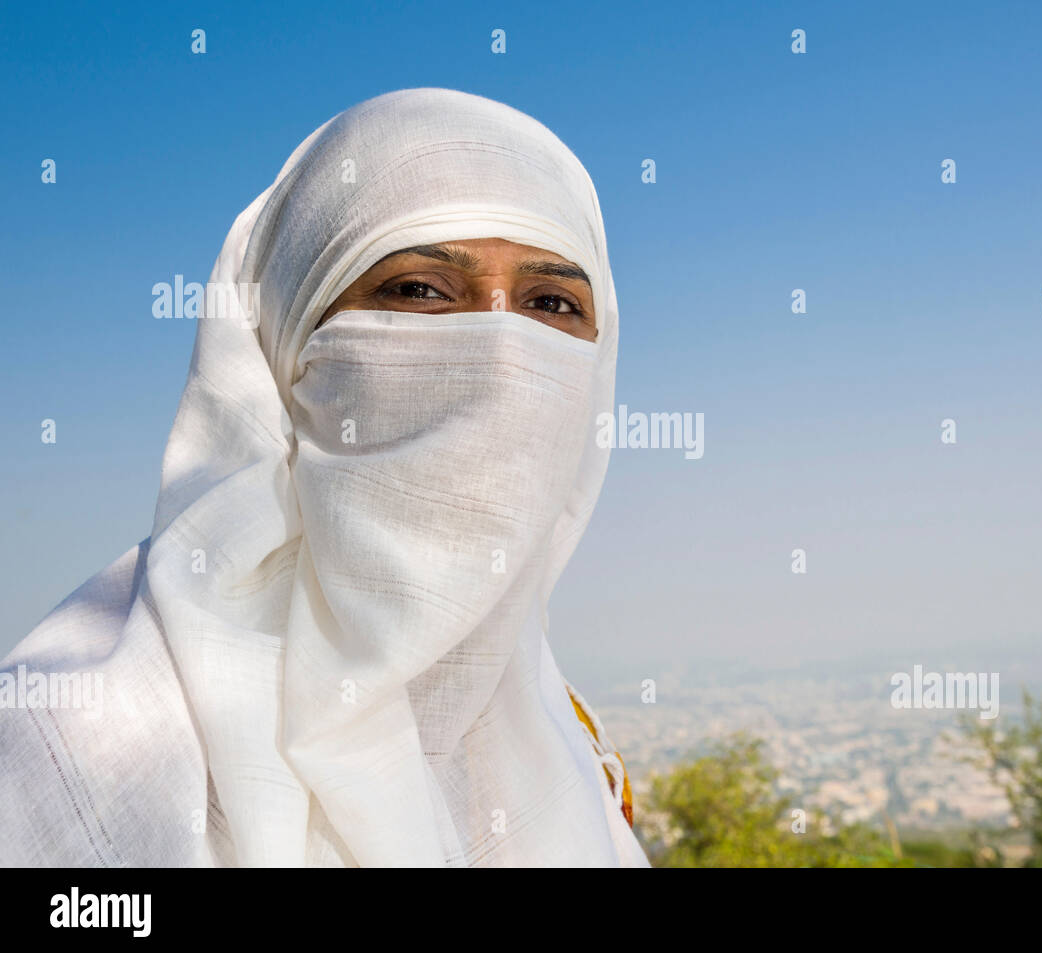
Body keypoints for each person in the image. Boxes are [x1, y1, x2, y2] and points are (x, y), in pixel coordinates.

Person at [0, 88, 649, 867]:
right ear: (285, 339)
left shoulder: (558, 733)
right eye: (420, 289)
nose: (502, 349)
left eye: (551, 302)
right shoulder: (73, 745)